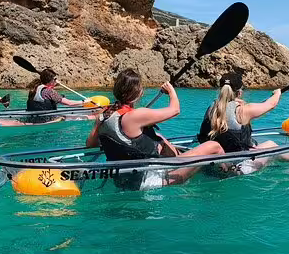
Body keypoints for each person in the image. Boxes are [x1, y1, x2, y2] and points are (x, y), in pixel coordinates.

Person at [86, 68, 224, 190]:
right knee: (214, 146)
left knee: (158, 138)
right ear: (139, 92)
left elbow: (91, 145)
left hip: (123, 181)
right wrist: (171, 91)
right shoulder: (136, 115)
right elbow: (175, 110)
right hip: (151, 181)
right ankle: (231, 170)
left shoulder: (103, 116)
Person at [197, 72, 289, 172]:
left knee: (255, 145)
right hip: (239, 169)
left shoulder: (212, 108)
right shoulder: (243, 110)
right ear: (240, 92)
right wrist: (277, 93)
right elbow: (271, 104)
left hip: (214, 166)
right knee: (271, 145)